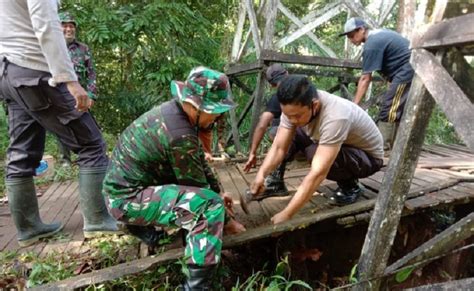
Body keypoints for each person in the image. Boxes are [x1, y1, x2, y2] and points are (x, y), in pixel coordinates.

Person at [103, 67, 245, 289]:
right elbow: (196, 186)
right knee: (208, 207)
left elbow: (198, 163)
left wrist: (219, 190)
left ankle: (143, 228)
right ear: (195, 106)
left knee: (211, 198)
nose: (217, 117)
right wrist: (228, 222)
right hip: (126, 200)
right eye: (215, 111)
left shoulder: (174, 115)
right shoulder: (180, 134)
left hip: (130, 189)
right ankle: (196, 287)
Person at [0, 1, 118, 247]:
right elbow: (46, 24)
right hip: (34, 70)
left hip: (8, 71)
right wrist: (69, 80)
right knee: (91, 144)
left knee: (21, 152)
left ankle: (29, 229)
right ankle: (97, 220)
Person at [249, 75, 384, 224]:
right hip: (339, 143)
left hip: (367, 158)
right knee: (281, 134)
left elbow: (318, 172)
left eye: (297, 116)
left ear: (315, 105)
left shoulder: (337, 116)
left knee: (315, 155)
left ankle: (351, 187)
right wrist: (261, 173)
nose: (292, 120)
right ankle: (274, 182)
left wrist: (287, 213)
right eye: (288, 116)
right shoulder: (295, 106)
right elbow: (280, 147)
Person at [340, 17, 414, 155]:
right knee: (396, 108)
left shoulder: (371, 44)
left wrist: (354, 105)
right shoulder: (377, 36)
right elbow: (392, 61)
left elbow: (365, 79)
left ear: (362, 30)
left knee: (389, 108)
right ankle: (396, 147)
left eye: (352, 35)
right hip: (405, 70)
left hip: (408, 69)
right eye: (348, 37)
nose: (351, 39)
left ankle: (383, 149)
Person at [244, 64, 314, 199]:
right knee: (281, 133)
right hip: (316, 138)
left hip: (308, 138)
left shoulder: (279, 96)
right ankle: (276, 182)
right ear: (287, 73)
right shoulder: (307, 89)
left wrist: (253, 152)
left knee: (278, 134)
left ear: (271, 85)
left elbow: (262, 125)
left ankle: (275, 182)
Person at [55, 12, 98, 166]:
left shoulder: (83, 48)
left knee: (85, 126)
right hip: (58, 94)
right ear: (58, 27)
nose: (69, 29)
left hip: (80, 95)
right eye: (65, 25)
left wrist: (91, 94)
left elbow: (91, 72)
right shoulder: (52, 47)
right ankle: (65, 160)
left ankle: (86, 158)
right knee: (63, 127)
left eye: (71, 26)